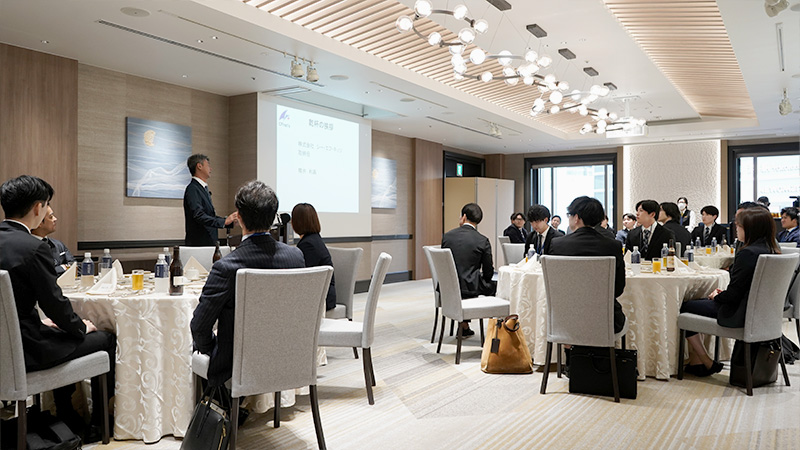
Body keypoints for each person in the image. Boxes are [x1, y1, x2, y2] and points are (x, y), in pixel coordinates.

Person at [0, 175, 115, 439]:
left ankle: (66, 413)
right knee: (104, 338)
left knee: (60, 332)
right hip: (26, 351)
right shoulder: (33, 247)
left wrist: (41, 322)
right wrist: (80, 327)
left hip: (7, 347)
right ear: (38, 208)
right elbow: (55, 306)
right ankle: (97, 422)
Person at [191, 181, 305, 387]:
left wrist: (213, 348)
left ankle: (220, 402)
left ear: (239, 218)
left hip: (236, 363)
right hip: (286, 354)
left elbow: (200, 327)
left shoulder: (227, 267)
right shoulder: (295, 257)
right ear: (273, 218)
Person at [679, 207, 781, 376]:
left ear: (750, 229)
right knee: (700, 304)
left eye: (739, 226)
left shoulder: (747, 253)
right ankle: (697, 362)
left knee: (685, 306)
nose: (736, 229)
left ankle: (705, 360)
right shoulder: (772, 250)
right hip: (763, 313)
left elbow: (733, 295)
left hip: (738, 313)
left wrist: (718, 295)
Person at [549, 196, 626, 333]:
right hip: (606, 319)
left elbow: (554, 285)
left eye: (569, 215)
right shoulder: (613, 245)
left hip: (565, 319)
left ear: (576, 217)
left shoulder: (558, 244)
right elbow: (618, 288)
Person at [441, 203, 495, 337]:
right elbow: (488, 272)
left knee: (464, 278)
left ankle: (464, 325)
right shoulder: (482, 240)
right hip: (469, 288)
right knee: (496, 287)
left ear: (463, 217)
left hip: (446, 287)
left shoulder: (447, 236)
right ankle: (496, 331)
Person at [183, 154, 237, 246]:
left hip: (207, 243)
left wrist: (229, 222)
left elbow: (209, 216)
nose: (210, 169)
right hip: (199, 244)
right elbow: (199, 216)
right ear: (199, 166)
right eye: (208, 165)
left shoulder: (202, 188)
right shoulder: (193, 189)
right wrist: (223, 222)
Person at [291, 203, 337, 311]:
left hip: (322, 299)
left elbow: (303, 276)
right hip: (324, 295)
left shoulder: (307, 245)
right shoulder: (314, 239)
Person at [30, 205, 77, 275]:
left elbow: (75, 267)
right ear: (39, 222)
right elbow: (40, 274)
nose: (55, 219)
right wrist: (62, 268)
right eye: (51, 217)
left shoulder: (58, 245)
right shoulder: (27, 247)